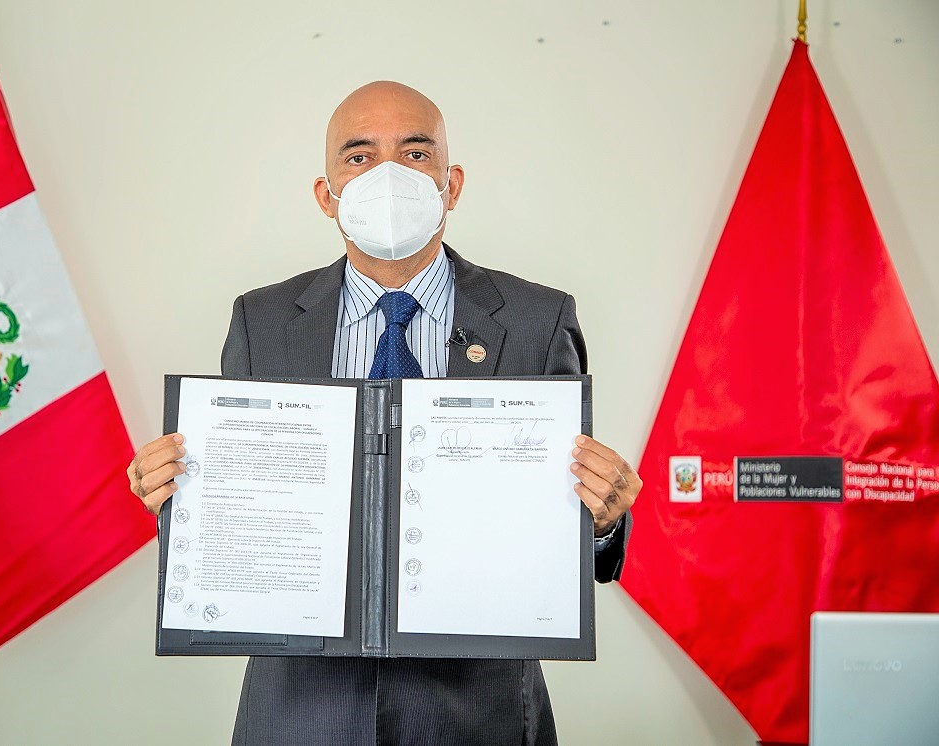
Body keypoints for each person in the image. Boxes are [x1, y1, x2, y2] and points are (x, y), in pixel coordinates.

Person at [127, 81, 642, 745]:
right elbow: (241, 509)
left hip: (476, 708)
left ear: (451, 185)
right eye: (359, 157)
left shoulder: (539, 319)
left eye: (416, 154)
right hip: (301, 707)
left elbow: (566, 524)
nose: (390, 175)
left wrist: (602, 523)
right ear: (327, 194)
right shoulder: (262, 320)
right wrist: (178, 495)